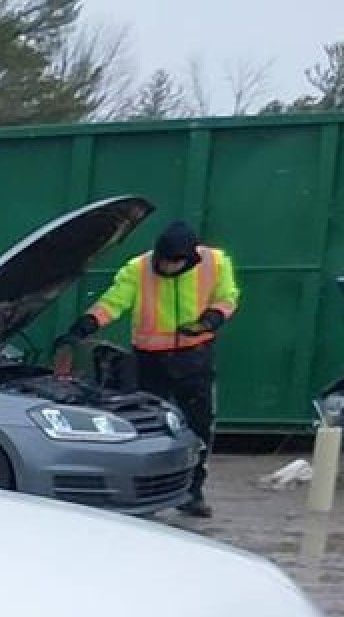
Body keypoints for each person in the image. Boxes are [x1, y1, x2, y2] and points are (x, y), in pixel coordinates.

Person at [64, 217, 239, 518]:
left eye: (175, 263)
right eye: (164, 261)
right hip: (150, 359)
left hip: (193, 356)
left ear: (190, 258)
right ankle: (147, 491)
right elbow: (113, 302)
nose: (168, 268)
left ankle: (193, 491)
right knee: (147, 427)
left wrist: (209, 321)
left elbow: (228, 297)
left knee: (198, 426)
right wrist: (85, 325)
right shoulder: (138, 269)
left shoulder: (216, 262)